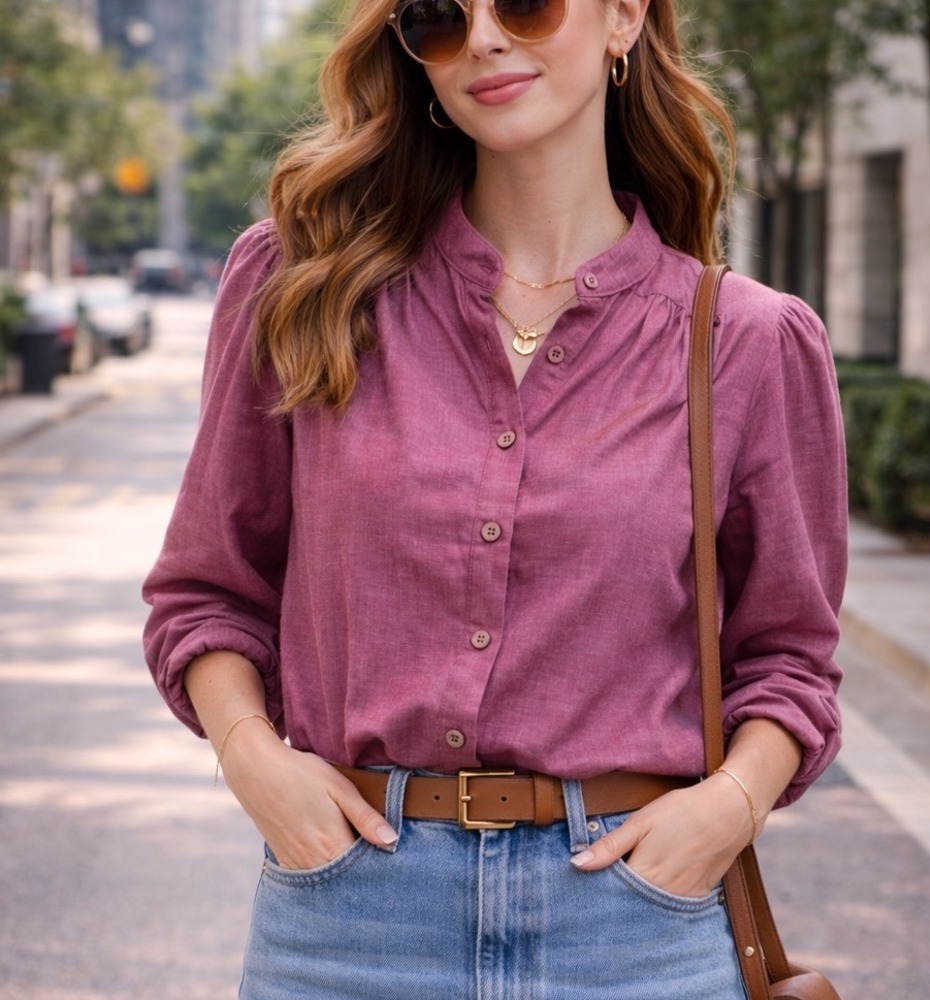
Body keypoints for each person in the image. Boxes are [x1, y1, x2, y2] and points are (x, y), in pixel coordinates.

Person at [142, 0, 847, 995]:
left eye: (523, 2)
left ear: (621, 17)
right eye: (437, 15)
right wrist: (257, 764)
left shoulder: (747, 342)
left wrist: (724, 811)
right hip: (350, 916)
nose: (481, 38)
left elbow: (790, 657)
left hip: (633, 924)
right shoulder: (302, 287)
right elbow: (207, 593)